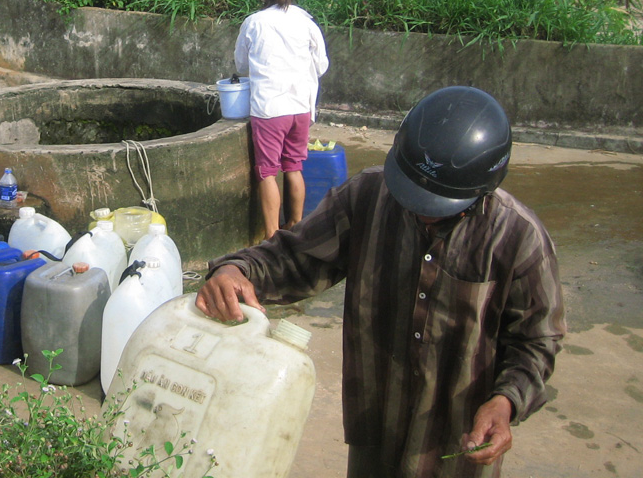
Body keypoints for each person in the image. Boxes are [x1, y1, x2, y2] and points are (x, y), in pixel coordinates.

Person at [196, 86, 565, 478]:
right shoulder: (369, 196)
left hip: (456, 446)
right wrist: (237, 269)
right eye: (412, 197)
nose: (421, 213)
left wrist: (506, 402)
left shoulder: (519, 238)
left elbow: (537, 341)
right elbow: (295, 257)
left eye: (436, 208)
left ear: (479, 193)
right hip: (376, 431)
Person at [234, 0, 329, 239]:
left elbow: (241, 65)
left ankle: (272, 235)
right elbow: (321, 65)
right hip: (301, 106)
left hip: (269, 109)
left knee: (267, 172)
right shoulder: (308, 22)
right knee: (294, 166)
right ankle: (295, 226)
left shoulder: (253, 22)